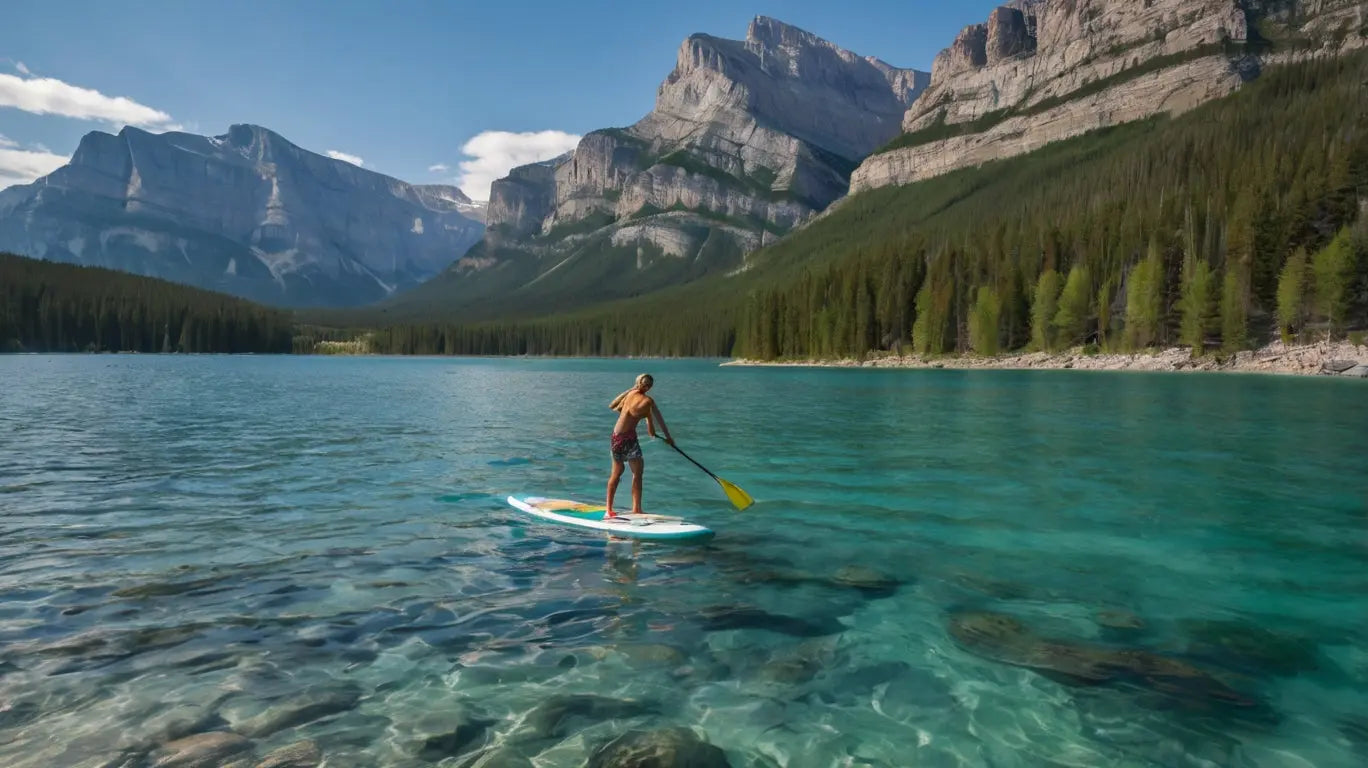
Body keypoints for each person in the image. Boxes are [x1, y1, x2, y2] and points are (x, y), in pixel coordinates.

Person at [606, 373, 672, 517]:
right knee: (636, 473)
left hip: (616, 437)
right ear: (649, 386)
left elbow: (612, 406)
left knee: (618, 472)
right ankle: (636, 509)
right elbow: (655, 426)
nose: (647, 387)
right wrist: (668, 439)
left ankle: (609, 509)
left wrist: (630, 389)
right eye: (648, 385)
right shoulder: (648, 401)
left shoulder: (630, 395)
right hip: (628, 439)